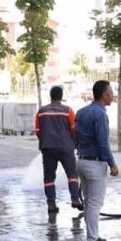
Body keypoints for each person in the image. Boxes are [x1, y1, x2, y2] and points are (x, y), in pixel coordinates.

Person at [76, 80, 119, 241]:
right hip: (95, 163)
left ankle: (93, 236)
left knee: (88, 203)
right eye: (111, 92)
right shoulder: (100, 115)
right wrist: (112, 164)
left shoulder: (81, 112)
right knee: (94, 204)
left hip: (82, 161)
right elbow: (103, 143)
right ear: (104, 95)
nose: (113, 95)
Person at [35, 85, 83, 214]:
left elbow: (37, 130)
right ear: (61, 96)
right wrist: (75, 143)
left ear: (51, 96)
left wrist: (45, 140)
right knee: (72, 175)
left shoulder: (41, 111)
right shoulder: (68, 111)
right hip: (66, 147)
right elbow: (74, 129)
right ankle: (75, 199)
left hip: (48, 148)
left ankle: (51, 203)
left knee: (49, 177)